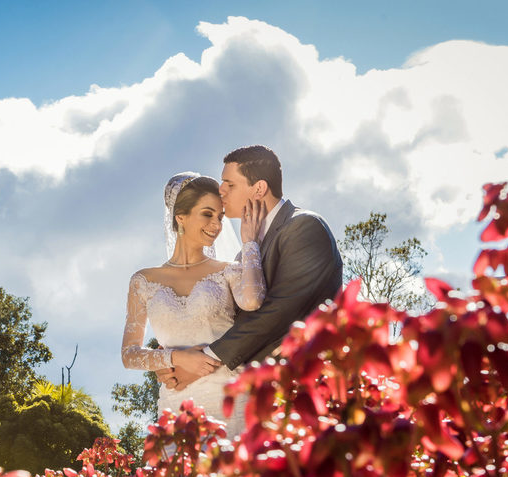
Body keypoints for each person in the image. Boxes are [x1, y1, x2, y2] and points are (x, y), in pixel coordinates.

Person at [159, 145, 343, 400]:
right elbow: (225, 320)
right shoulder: (246, 251)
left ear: (259, 189)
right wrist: (176, 359)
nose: (220, 190)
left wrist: (205, 361)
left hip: (304, 390)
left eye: (229, 184)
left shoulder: (304, 227)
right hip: (260, 392)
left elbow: (279, 311)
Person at [121, 172, 267, 436]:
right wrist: (176, 358)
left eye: (220, 217)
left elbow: (254, 302)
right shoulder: (143, 281)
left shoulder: (229, 271)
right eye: (207, 214)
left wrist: (250, 244)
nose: (217, 225)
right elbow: (129, 355)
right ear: (180, 217)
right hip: (175, 405)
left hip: (228, 399)